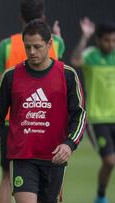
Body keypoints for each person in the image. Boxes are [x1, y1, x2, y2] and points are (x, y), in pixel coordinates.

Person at [0, 19, 86, 203]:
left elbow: (80, 115)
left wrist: (69, 144)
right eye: (27, 47)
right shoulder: (11, 76)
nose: (31, 52)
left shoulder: (67, 75)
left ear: (49, 44)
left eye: (37, 46)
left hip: (54, 159)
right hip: (23, 157)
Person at [0, 0, 65, 202]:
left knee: (6, 176)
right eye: (28, 47)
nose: (32, 52)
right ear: (44, 17)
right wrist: (57, 35)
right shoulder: (56, 43)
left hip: (10, 122)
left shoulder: (6, 45)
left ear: (20, 17)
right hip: (46, 123)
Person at [70, 17, 115, 203]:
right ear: (98, 39)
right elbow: (75, 60)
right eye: (107, 40)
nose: (110, 44)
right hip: (97, 120)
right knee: (110, 161)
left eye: (114, 40)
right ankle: (101, 196)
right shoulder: (90, 55)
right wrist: (84, 37)